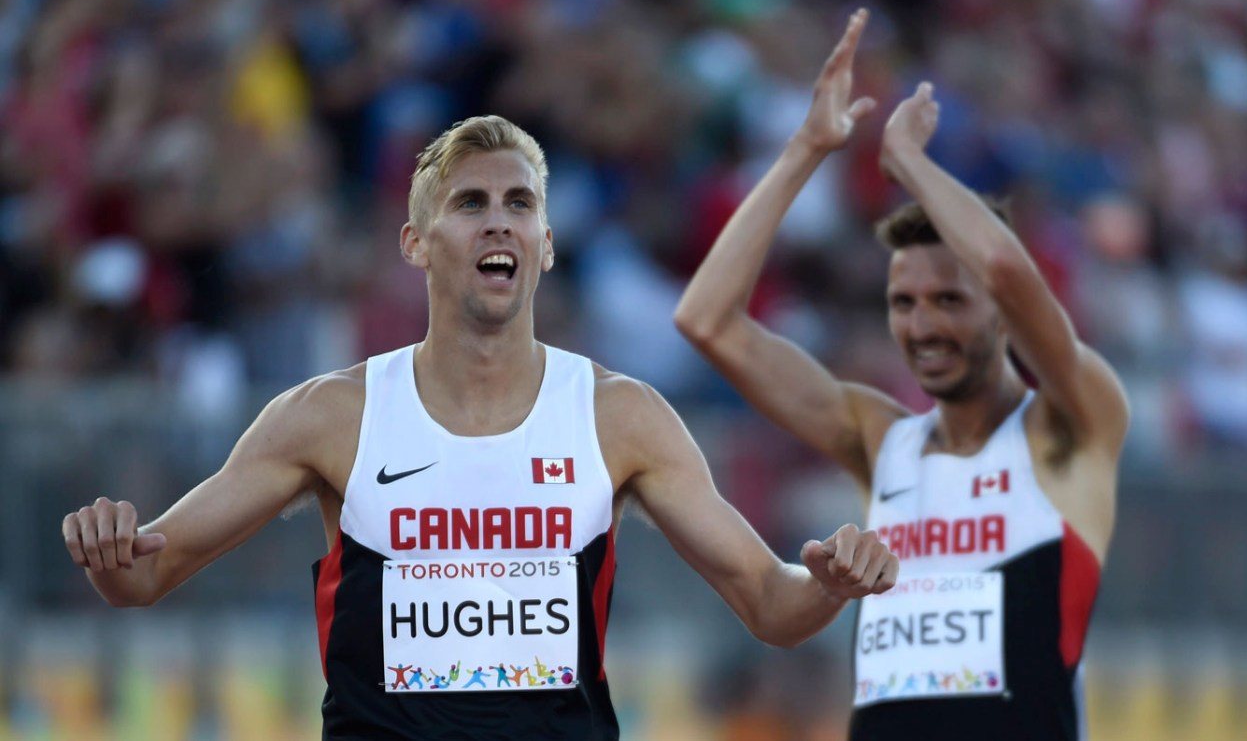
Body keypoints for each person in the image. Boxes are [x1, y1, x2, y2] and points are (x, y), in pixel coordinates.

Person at [62, 109, 898, 739]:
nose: (499, 219)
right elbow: (141, 577)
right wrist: (109, 548)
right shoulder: (333, 416)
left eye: (519, 203)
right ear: (417, 243)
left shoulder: (618, 417)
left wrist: (825, 582)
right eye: (470, 202)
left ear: (545, 242)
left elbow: (770, 605)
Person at [674, 8, 1129, 741]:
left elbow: (1009, 268)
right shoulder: (882, 437)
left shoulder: (1071, 423)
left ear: (1004, 313)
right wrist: (806, 148)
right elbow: (707, 320)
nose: (921, 325)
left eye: (949, 299)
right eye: (903, 303)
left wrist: (908, 161)